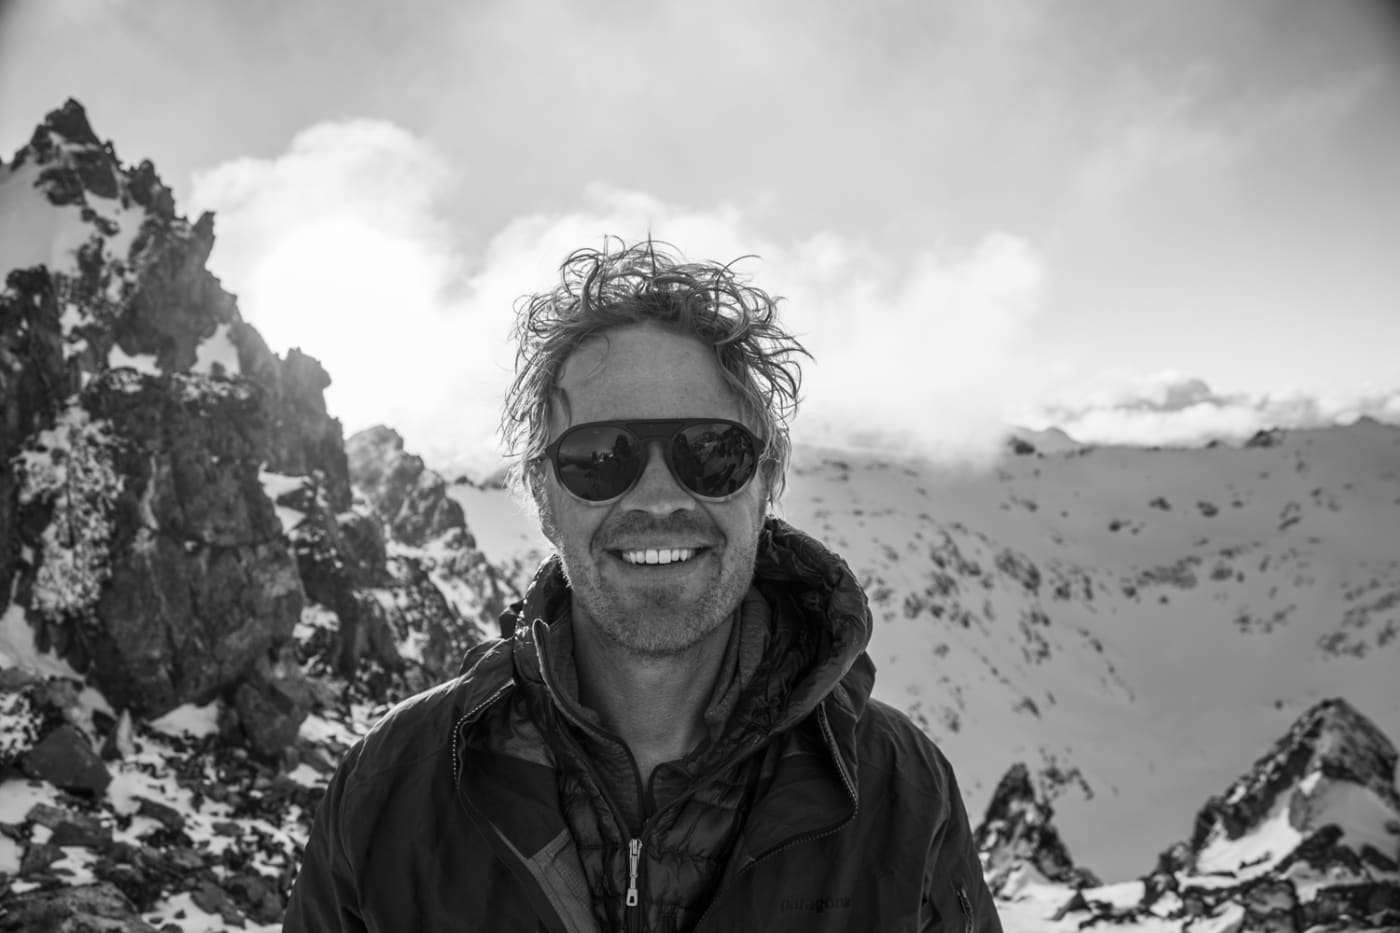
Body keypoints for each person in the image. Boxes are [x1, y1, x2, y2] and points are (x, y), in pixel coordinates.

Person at [283, 239, 1003, 933]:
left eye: (712, 453)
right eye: (600, 457)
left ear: (767, 482)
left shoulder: (901, 796)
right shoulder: (393, 786)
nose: (658, 496)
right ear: (542, 493)